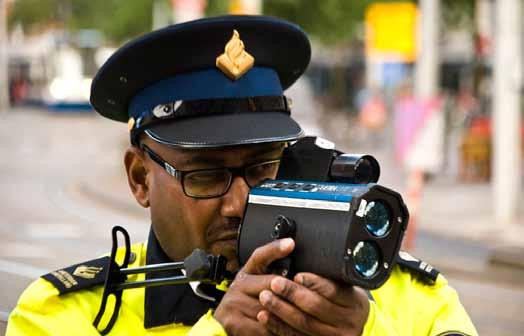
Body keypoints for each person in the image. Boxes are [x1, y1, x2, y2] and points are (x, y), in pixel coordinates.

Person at [7, 16, 478, 336]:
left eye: (262, 168)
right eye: (207, 176)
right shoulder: (62, 314)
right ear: (139, 178)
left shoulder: (403, 300)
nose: (240, 204)